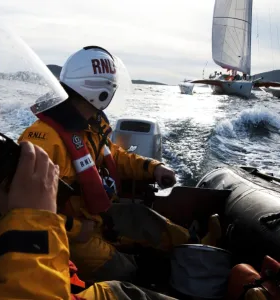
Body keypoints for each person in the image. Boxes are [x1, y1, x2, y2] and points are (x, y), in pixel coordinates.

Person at [19, 46, 220, 282]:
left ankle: (197, 247)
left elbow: (115, 156)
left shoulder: (91, 125)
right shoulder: (44, 139)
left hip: (97, 216)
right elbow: (25, 211)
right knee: (124, 272)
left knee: (145, 218)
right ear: (101, 92)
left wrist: (152, 167)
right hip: (67, 233)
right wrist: (75, 228)